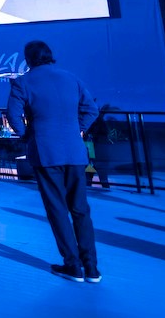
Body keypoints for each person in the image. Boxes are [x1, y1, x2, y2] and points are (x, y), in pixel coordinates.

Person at [7, 40, 102, 284]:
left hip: (46, 153)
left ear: (28, 59)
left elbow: (13, 115)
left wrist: (28, 136)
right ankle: (91, 268)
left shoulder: (23, 82)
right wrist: (76, 130)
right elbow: (92, 109)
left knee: (57, 209)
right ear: (50, 56)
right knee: (80, 209)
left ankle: (73, 266)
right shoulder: (71, 78)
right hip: (74, 152)